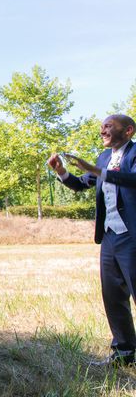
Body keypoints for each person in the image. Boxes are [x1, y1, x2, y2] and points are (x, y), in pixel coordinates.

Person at [48, 114, 136, 366]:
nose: (102, 131)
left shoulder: (135, 154)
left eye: (108, 126)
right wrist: (62, 172)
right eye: (102, 127)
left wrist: (96, 170)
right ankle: (124, 353)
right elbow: (82, 184)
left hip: (133, 236)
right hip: (109, 237)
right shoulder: (103, 158)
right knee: (112, 296)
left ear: (128, 130)